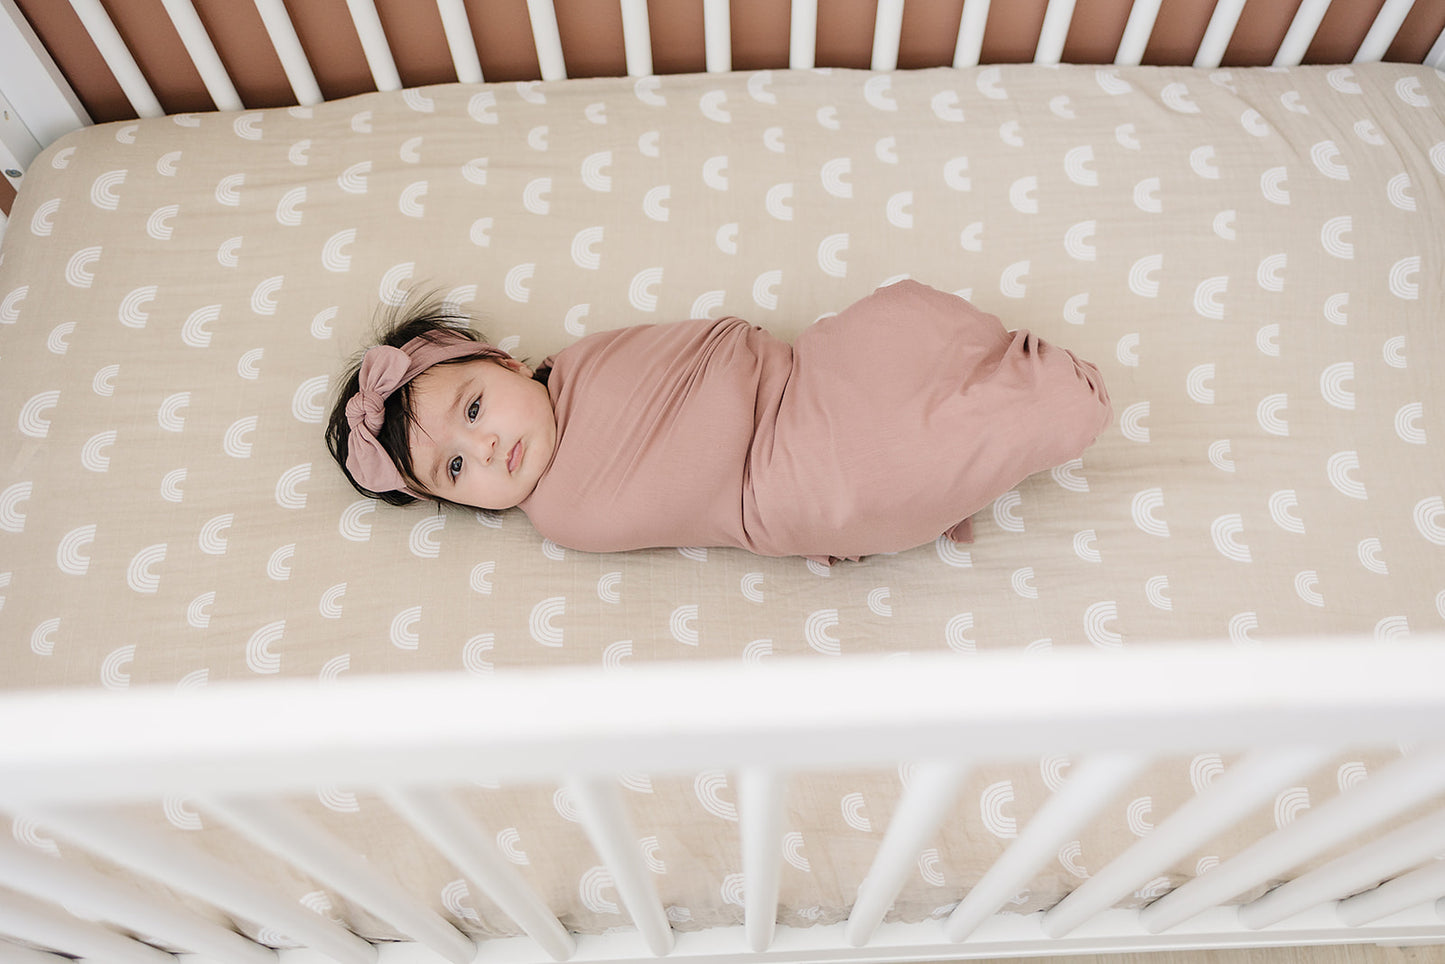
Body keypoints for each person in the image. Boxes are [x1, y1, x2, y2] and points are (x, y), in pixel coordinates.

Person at [326, 280, 1111, 563]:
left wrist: (756, 372)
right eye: (457, 470)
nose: (488, 447)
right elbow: (693, 481)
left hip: (794, 380)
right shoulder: (565, 513)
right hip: (781, 475)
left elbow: (722, 345)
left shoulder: (587, 357)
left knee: (893, 322)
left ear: (502, 363)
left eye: (472, 410)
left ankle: (978, 393)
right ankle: (1040, 396)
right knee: (873, 476)